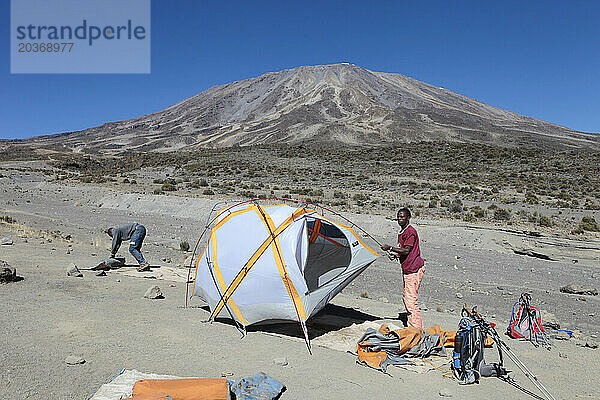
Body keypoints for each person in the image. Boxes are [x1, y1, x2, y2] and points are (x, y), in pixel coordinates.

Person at [381, 208, 425, 330]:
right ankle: (414, 327)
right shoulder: (402, 232)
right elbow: (404, 252)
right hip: (408, 269)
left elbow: (407, 250)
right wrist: (395, 255)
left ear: (408, 218)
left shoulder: (410, 232)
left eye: (402, 217)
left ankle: (416, 329)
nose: (400, 219)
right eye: (398, 217)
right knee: (407, 298)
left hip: (413, 269)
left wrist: (390, 248)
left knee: (410, 301)